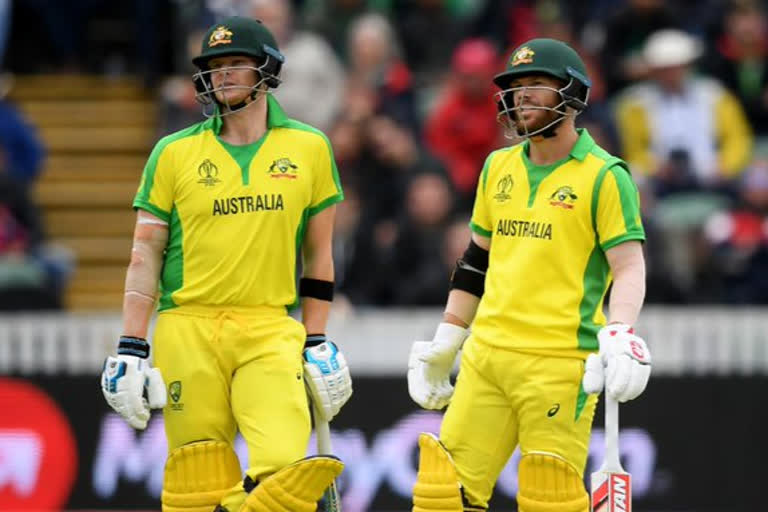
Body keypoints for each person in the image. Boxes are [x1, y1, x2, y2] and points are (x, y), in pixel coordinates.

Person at [100, 16, 352, 512]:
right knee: (197, 479)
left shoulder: (309, 148)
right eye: (215, 67)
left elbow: (318, 254)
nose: (223, 75)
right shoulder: (172, 152)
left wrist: (317, 338)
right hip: (186, 328)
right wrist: (131, 345)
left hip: (268, 328)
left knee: (284, 466)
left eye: (237, 63)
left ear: (268, 69)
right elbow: (144, 253)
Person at [407, 38, 652, 512]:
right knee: (441, 498)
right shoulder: (497, 166)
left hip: (560, 365)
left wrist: (621, 332)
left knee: (549, 500)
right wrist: (447, 337)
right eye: (515, 87)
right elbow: (476, 261)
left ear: (573, 94)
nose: (522, 95)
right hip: (486, 359)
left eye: (536, 84)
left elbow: (629, 267)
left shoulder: (605, 176)